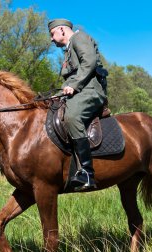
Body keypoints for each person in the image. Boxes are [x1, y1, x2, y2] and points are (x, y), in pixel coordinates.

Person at [48, 18, 108, 191]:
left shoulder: (79, 38)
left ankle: (87, 173)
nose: (51, 39)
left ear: (61, 30)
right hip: (80, 90)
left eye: (52, 34)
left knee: (72, 116)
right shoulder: (67, 50)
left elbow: (88, 62)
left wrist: (73, 86)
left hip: (91, 91)